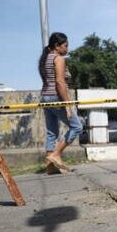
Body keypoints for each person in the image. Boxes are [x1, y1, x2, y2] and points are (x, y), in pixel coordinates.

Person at [38, 32, 83, 173]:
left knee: (52, 132)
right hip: (56, 98)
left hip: (45, 97)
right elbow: (60, 82)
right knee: (77, 126)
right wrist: (68, 105)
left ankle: (50, 167)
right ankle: (55, 155)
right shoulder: (58, 59)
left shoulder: (45, 58)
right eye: (65, 46)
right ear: (57, 46)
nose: (67, 49)